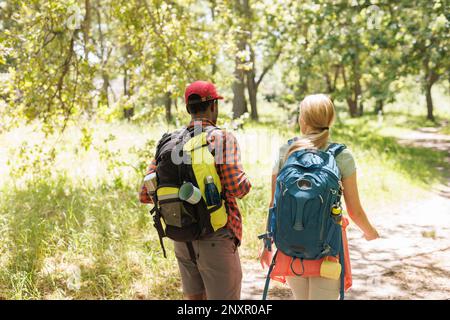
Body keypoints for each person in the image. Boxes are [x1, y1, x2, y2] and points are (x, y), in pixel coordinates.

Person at [259, 94, 379, 300]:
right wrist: (370, 232)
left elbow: (274, 205)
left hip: (291, 246)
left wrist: (267, 244)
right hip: (328, 249)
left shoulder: (286, 151)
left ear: (302, 120)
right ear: (330, 120)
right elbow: (354, 210)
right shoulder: (341, 155)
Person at [140, 80, 251, 300]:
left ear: (188, 109)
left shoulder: (169, 141)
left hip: (182, 235)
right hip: (215, 236)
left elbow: (145, 193)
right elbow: (238, 188)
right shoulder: (221, 138)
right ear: (213, 107)